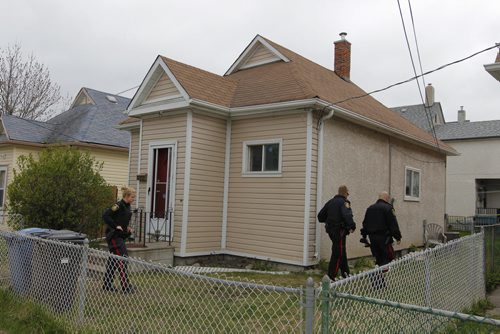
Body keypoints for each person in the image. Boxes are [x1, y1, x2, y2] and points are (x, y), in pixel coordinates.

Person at [318, 185, 356, 280]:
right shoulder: (344, 202)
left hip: (331, 230)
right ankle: (331, 276)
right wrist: (352, 226)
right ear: (345, 193)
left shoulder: (330, 202)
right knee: (338, 252)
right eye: (347, 193)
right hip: (340, 231)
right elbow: (347, 215)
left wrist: (329, 221)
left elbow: (320, 216)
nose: (348, 194)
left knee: (341, 251)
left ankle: (345, 273)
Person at [102, 186, 136, 293]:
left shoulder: (128, 206)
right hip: (114, 237)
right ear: (126, 196)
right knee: (123, 259)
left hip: (120, 237)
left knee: (113, 261)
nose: (133, 199)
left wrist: (127, 230)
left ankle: (107, 285)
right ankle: (125, 287)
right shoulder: (118, 205)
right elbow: (106, 216)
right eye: (132, 197)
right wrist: (115, 226)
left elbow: (123, 222)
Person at [361, 191, 402, 268]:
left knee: (378, 259)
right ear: (386, 198)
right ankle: (379, 276)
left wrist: (364, 236)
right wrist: (398, 237)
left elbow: (365, 223)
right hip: (384, 239)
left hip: (372, 239)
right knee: (387, 258)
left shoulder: (370, 208)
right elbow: (393, 224)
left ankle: (378, 278)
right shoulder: (388, 208)